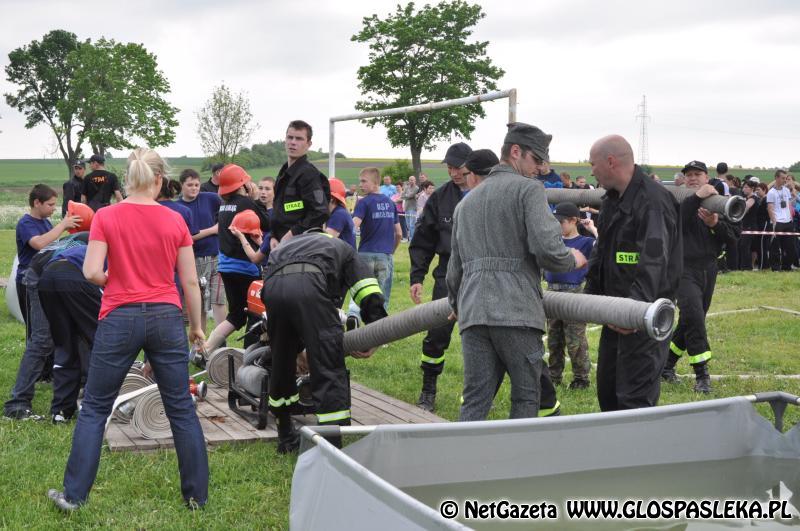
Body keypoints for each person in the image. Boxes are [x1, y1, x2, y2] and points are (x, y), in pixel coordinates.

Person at [47, 147, 208, 512]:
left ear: (130, 178)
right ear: (159, 179)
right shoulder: (175, 220)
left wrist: (114, 279)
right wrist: (197, 327)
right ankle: (196, 498)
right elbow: (190, 282)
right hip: (166, 318)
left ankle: (73, 497)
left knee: (95, 408)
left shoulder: (107, 216)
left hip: (119, 317)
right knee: (180, 408)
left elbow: (91, 271)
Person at [447, 125, 586, 421]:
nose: (541, 168)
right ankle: (519, 451)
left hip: (473, 313)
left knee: (474, 400)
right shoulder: (528, 190)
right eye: (537, 159)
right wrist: (572, 259)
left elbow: (454, 269)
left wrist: (456, 304)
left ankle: (462, 451)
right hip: (516, 311)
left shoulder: (465, 203)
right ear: (515, 152)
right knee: (525, 396)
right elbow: (548, 250)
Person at [261, 230, 387, 452]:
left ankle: (285, 436)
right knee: (328, 364)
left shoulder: (284, 247)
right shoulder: (342, 248)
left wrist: (295, 346)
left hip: (272, 291)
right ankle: (332, 446)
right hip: (310, 288)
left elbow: (280, 292)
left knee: (281, 362)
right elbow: (367, 289)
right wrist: (376, 333)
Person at [584, 134, 681, 412]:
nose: (591, 172)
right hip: (615, 313)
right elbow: (602, 251)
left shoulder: (653, 202)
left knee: (634, 399)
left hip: (642, 318)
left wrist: (635, 311)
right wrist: (590, 298)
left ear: (610, 162)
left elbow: (654, 261)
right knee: (608, 393)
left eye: (593, 164)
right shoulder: (612, 200)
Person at [661, 161, 736, 393]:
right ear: (684, 179)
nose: (693, 178)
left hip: (709, 269)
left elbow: (733, 238)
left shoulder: (718, 202)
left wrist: (715, 224)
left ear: (706, 177)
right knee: (694, 318)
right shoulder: (678, 199)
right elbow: (673, 222)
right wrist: (696, 198)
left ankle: (666, 365)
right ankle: (702, 375)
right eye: (689, 175)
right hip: (683, 269)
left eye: (697, 174)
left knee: (690, 321)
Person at [409, 141, 472, 412]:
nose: (454, 173)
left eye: (458, 168)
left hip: (481, 273)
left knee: (482, 337)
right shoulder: (440, 198)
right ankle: (428, 390)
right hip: (447, 274)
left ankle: (476, 396)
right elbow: (423, 240)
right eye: (450, 168)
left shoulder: (487, 192)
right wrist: (417, 277)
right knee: (436, 333)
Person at [202, 164, 269, 355]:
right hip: (245, 268)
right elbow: (266, 223)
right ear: (242, 184)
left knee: (237, 315)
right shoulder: (246, 203)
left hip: (226, 266)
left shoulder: (224, 205)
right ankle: (250, 355)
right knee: (256, 313)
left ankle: (205, 349)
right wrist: (256, 200)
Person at [38, 236, 99, 423]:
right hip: (74, 276)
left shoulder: (92, 244)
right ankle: (93, 407)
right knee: (102, 341)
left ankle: (61, 411)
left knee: (65, 344)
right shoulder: (125, 252)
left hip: (47, 276)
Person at [545, 202, 595, 390]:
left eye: (561, 222)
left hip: (574, 293)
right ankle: (554, 376)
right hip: (552, 292)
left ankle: (581, 378)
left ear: (574, 220)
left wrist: (593, 229)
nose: (557, 226)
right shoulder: (554, 241)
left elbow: (605, 246)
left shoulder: (586, 242)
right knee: (554, 339)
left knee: (575, 340)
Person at [177, 169, 225, 333]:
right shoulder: (179, 207)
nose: (194, 188)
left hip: (216, 256)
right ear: (182, 185)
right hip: (194, 259)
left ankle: (221, 339)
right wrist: (212, 230)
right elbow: (186, 237)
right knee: (199, 302)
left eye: (197, 185)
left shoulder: (210, 198)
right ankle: (200, 340)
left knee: (219, 299)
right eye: (190, 185)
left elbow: (227, 208)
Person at [270, 120, 330, 249]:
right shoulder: (284, 172)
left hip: (301, 246)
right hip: (280, 245)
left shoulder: (308, 174)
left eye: (299, 139)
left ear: (308, 144)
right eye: (290, 137)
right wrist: (274, 235)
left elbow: (320, 212)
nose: (293, 142)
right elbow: (279, 208)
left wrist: (292, 233)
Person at [352, 167, 402, 311]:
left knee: (363, 294)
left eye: (364, 181)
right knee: (382, 298)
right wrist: (391, 251)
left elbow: (353, 227)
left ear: (375, 183)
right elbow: (399, 233)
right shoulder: (391, 204)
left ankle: (355, 317)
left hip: (365, 254)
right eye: (360, 181)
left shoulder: (363, 202)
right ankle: (380, 324)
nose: (360, 185)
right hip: (385, 255)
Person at [766, 170, 797, 271]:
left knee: (789, 246)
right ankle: (775, 268)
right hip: (777, 222)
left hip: (788, 222)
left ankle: (786, 266)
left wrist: (791, 218)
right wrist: (774, 222)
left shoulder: (786, 190)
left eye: (785, 178)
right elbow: (770, 208)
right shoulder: (771, 192)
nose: (785, 180)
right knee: (775, 247)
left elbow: (788, 204)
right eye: (783, 178)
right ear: (777, 178)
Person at [325, 178, 356, 249]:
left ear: (331, 198)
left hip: (344, 256)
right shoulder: (339, 212)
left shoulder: (338, 215)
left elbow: (325, 242)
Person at [737, 179, 759, 270]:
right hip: (746, 226)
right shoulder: (746, 198)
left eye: (746, 187)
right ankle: (744, 266)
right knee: (745, 246)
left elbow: (746, 207)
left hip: (750, 226)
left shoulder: (752, 198)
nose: (743, 189)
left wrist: (737, 210)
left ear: (752, 188)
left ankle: (746, 267)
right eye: (743, 187)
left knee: (745, 246)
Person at [402, 175, 419, 241]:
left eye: (412, 180)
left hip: (413, 207)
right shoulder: (406, 187)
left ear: (415, 180)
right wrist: (407, 195)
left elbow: (410, 195)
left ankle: (412, 238)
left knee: (412, 224)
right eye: (410, 180)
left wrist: (407, 195)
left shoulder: (416, 188)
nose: (411, 181)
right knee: (408, 224)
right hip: (406, 207)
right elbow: (402, 196)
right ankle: (410, 237)